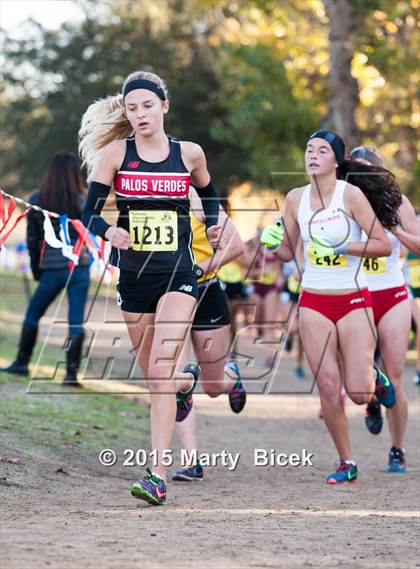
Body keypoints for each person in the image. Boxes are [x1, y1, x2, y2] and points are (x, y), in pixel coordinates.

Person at [79, 70, 223, 505]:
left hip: (179, 272)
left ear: (164, 106)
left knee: (158, 373)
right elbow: (88, 212)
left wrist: (213, 226)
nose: (139, 114)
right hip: (134, 276)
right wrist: (110, 233)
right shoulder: (115, 155)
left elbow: (211, 194)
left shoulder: (189, 154)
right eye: (131, 107)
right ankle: (186, 383)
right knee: (156, 377)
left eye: (147, 105)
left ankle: (156, 475)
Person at [260, 130, 400, 485]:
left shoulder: (349, 194)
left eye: (322, 150)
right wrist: (273, 244)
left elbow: (382, 245)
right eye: (309, 149)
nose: (313, 154)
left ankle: (375, 381)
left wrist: (343, 248)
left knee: (359, 393)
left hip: (353, 299)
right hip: (314, 300)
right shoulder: (295, 198)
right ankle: (346, 461)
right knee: (325, 383)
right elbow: (289, 252)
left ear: (336, 161)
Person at [349, 146, 420, 472]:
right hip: (356, 294)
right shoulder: (343, 200)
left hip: (392, 293)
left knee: (395, 375)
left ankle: (397, 449)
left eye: (366, 168)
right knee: (361, 380)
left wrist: (396, 231)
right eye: (355, 168)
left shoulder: (398, 201)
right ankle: (372, 397)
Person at [171, 188, 246, 481]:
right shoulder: (146, 199)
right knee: (177, 381)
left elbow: (236, 247)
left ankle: (232, 377)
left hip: (206, 293)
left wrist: (199, 268)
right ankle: (191, 461)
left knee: (213, 387)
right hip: (169, 294)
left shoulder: (199, 199)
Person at [0, 152, 90, 387]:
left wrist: (35, 270)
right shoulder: (83, 201)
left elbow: (33, 241)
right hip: (78, 268)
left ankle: (21, 362)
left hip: (51, 268)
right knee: (76, 321)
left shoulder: (37, 200)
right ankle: (71, 374)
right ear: (74, 175)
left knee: (33, 314)